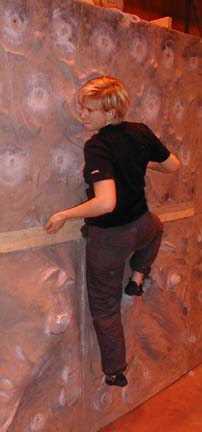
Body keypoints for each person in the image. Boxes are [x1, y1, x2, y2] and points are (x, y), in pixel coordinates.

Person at [44, 76, 180, 387]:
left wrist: (65, 214)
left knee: (105, 309)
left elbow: (105, 203)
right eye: (82, 109)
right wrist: (143, 162)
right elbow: (173, 165)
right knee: (157, 228)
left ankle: (115, 370)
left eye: (89, 111)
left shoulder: (98, 146)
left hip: (109, 240)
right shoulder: (140, 132)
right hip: (141, 225)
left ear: (109, 113)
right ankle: (138, 277)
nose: (83, 116)